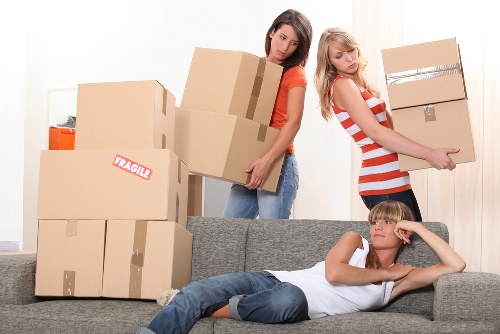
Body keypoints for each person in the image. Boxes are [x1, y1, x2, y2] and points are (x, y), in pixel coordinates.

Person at [137, 200, 465, 334]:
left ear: (403, 233)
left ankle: (197, 306)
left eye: (388, 222)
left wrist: (421, 228)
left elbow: (456, 264)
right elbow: (334, 273)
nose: (377, 227)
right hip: (269, 279)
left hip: (294, 302)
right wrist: (384, 272)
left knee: (289, 301)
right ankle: (190, 303)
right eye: (375, 221)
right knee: (197, 288)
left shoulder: (403, 278)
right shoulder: (355, 240)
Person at [314, 28, 460, 221]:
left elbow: (393, 131)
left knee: (414, 246)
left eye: (351, 50)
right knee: (406, 248)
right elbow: (376, 133)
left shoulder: (359, 85)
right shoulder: (342, 85)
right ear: (329, 61)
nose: (349, 58)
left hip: (395, 179)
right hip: (382, 181)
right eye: (339, 55)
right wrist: (429, 154)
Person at [222, 9, 313, 219]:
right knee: (229, 232)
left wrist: (266, 161)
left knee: (271, 242)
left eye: (294, 43)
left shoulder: (295, 73)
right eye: (282, 37)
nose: (285, 47)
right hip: (250, 160)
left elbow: (294, 122)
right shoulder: (254, 67)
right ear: (272, 32)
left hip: (278, 163)